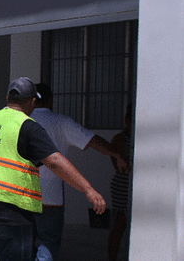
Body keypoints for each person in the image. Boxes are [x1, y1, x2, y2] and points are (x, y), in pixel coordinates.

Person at [0, 77, 106, 261]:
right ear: (33, 101)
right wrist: (88, 189)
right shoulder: (27, 127)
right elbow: (54, 162)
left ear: (7, 98)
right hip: (9, 213)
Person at [31, 83, 129, 261]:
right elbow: (91, 140)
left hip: (19, 196)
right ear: (50, 100)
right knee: (47, 244)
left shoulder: (19, 121)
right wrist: (115, 153)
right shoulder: (60, 122)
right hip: (51, 199)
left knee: (23, 245)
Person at [107, 105, 133, 261]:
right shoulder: (121, 139)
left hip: (128, 185)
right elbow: (120, 166)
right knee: (120, 224)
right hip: (123, 185)